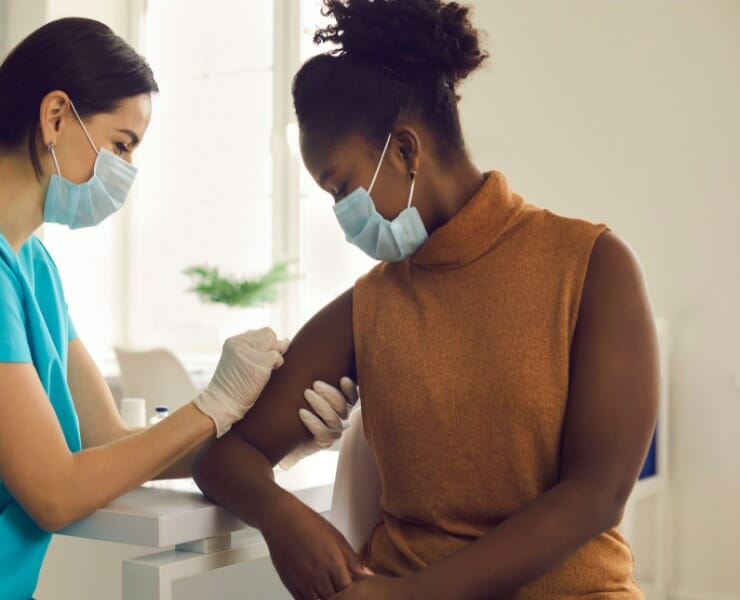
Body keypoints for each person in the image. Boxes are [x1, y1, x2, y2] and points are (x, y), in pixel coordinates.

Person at [0, 18, 355, 600]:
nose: (127, 171)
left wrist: (269, 439)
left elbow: (103, 439)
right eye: (121, 145)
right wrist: (212, 405)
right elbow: (54, 492)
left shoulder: (28, 262)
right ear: (56, 116)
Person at [191, 1, 659, 599]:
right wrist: (282, 517)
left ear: (407, 150)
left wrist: (408, 597)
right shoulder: (370, 307)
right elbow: (226, 458)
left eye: (342, 187)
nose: (341, 215)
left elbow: (597, 494)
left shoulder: (593, 266)